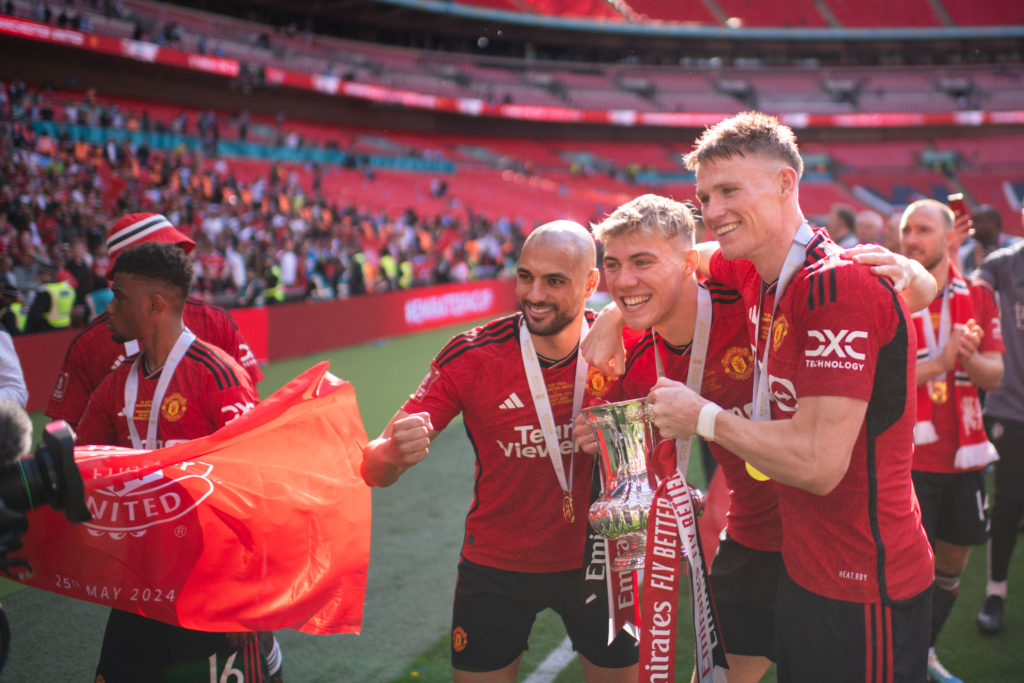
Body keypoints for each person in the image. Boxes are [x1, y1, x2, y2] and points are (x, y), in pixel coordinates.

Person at [637, 112, 934, 681]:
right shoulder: (757, 270)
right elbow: (683, 263)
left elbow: (819, 465)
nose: (713, 210)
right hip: (805, 566)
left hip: (862, 583)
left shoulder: (834, 284)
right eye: (704, 196)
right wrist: (606, 322)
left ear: (784, 184)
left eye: (729, 190)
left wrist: (702, 417)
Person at [361, 220, 639, 682]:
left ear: (591, 283)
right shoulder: (472, 356)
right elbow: (372, 468)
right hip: (496, 567)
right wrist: (392, 453)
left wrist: (623, 433)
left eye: (555, 281)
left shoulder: (625, 346)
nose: (534, 294)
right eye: (525, 276)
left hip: (602, 562)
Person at [582, 194, 780, 683]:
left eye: (642, 262)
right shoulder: (623, 352)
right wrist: (601, 439)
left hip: (829, 528)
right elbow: (621, 467)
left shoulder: (749, 295)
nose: (623, 280)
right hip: (754, 533)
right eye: (613, 265)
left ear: (691, 261)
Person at [75, 242, 264, 682]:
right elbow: (80, 468)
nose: (108, 309)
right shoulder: (115, 385)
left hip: (211, 591)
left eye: (119, 297)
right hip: (138, 586)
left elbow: (254, 486)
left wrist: (242, 594)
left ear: (154, 305)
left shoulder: (218, 376)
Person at [900, 198, 1004, 683]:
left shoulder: (978, 294)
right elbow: (880, 380)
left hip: (964, 457)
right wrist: (938, 364)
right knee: (903, 571)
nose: (911, 239)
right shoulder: (891, 291)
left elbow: (994, 374)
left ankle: (923, 653)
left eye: (923, 230)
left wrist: (964, 357)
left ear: (950, 238)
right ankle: (899, 660)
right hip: (908, 459)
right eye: (907, 230)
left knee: (952, 562)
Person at [45, 213, 264, 431]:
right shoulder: (90, 345)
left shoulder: (215, 322)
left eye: (179, 252)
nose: (181, 260)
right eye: (169, 253)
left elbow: (250, 413)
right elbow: (68, 434)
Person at [973, 217, 1024, 636]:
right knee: (1008, 502)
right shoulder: (1004, 264)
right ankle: (995, 592)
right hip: (1012, 408)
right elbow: (974, 286)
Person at [958, 205, 1021, 275]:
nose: (972, 225)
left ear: (994, 223)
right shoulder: (965, 254)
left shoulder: (1016, 248)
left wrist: (996, 263)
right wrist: (977, 268)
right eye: (972, 221)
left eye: (978, 221)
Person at [25, 263, 75, 333]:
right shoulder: (68, 288)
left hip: (48, 328)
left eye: (40, 275)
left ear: (46, 276)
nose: (38, 278)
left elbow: (35, 315)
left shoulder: (45, 290)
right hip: (65, 326)